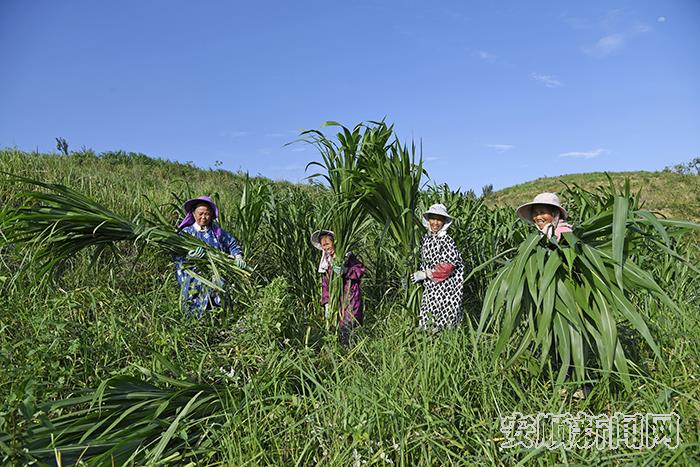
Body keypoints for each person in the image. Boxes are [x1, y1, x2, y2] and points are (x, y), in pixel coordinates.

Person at [175, 196, 245, 317]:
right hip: (193, 273)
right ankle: (195, 320)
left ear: (212, 215)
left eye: (207, 214)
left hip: (216, 271)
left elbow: (232, 243)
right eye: (200, 213)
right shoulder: (185, 233)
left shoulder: (217, 232)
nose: (203, 217)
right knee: (194, 290)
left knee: (220, 288)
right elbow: (176, 252)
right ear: (193, 213)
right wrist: (189, 256)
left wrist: (238, 256)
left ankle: (220, 318)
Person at [412, 203, 464, 332]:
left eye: (439, 219)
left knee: (443, 321)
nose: (435, 223)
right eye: (433, 218)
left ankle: (444, 346)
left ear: (444, 222)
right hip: (431, 288)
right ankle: (429, 344)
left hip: (446, 289)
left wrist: (425, 274)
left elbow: (448, 266)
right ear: (428, 220)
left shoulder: (446, 240)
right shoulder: (426, 239)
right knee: (429, 319)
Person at [311, 229, 365, 347]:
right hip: (337, 301)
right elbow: (325, 284)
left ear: (334, 243)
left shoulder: (347, 257)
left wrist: (346, 271)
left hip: (350, 296)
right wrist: (326, 303)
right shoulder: (327, 262)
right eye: (323, 245)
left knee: (350, 325)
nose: (325, 248)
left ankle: (354, 352)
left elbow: (360, 271)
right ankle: (342, 352)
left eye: (327, 244)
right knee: (338, 327)